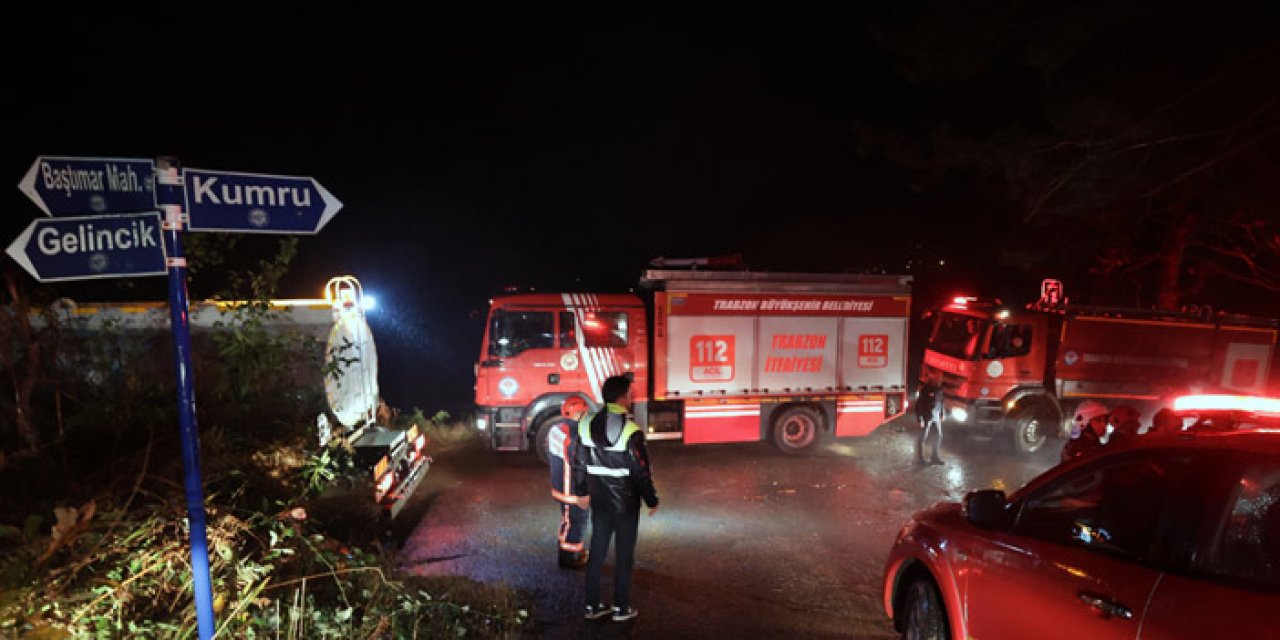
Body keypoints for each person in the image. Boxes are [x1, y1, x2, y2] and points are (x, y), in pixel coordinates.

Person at [573, 375, 659, 623]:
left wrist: (581, 492)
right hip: (625, 502)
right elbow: (641, 471)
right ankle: (621, 608)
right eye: (630, 394)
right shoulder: (631, 431)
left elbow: (579, 462)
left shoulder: (586, 424)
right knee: (624, 555)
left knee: (597, 550)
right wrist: (651, 500)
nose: (631, 398)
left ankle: (592, 605)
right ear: (622, 397)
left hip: (599, 499)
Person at [549, 396, 590, 569]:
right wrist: (584, 494)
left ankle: (565, 548)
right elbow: (580, 467)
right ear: (580, 414)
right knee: (578, 522)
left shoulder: (557, 429)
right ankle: (570, 558)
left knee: (568, 519)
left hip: (560, 487)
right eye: (584, 413)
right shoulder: (576, 436)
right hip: (573, 491)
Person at [915, 378, 945, 465]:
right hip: (926, 416)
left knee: (938, 435)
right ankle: (921, 459)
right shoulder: (925, 390)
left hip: (936, 416)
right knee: (923, 437)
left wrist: (942, 413)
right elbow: (918, 405)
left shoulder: (939, 390)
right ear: (933, 381)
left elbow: (941, 402)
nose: (940, 382)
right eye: (938, 380)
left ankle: (934, 457)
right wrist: (920, 419)